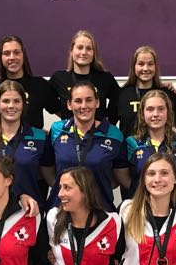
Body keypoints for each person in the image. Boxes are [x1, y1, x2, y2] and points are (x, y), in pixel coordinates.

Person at [44, 81, 131, 214]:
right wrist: (62, 187)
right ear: (69, 104)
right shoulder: (57, 130)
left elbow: (119, 176)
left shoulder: (114, 134)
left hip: (100, 210)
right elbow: (47, 168)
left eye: (89, 100)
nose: (84, 106)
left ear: (97, 102)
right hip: (61, 209)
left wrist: (99, 187)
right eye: (78, 101)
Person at [0, 80, 51, 205]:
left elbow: (50, 178)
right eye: (6, 101)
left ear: (24, 104)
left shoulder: (40, 137)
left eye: (17, 101)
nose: (11, 106)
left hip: (29, 210)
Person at [125, 89, 176, 198]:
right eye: (150, 109)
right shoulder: (131, 143)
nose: (156, 114)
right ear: (142, 114)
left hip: (175, 204)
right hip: (141, 204)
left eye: (161, 109)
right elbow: (124, 178)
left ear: (168, 112)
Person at [50, 30, 120, 123]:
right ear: (71, 51)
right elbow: (49, 104)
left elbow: (119, 101)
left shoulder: (105, 78)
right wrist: (66, 117)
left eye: (89, 48)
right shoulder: (59, 78)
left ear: (94, 53)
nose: (84, 52)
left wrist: (108, 123)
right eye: (79, 47)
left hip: (99, 131)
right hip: (69, 131)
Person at [0, 35, 55, 129]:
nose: (12, 57)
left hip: (34, 138)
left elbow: (63, 113)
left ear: (23, 55)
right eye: (7, 53)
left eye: (16, 52)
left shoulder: (40, 85)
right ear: (0, 57)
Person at [115, 46, 176, 136]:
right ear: (134, 66)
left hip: (162, 145)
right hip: (129, 145)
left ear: (155, 67)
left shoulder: (168, 94)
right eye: (141, 64)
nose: (146, 68)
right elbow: (109, 126)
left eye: (150, 64)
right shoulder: (121, 94)